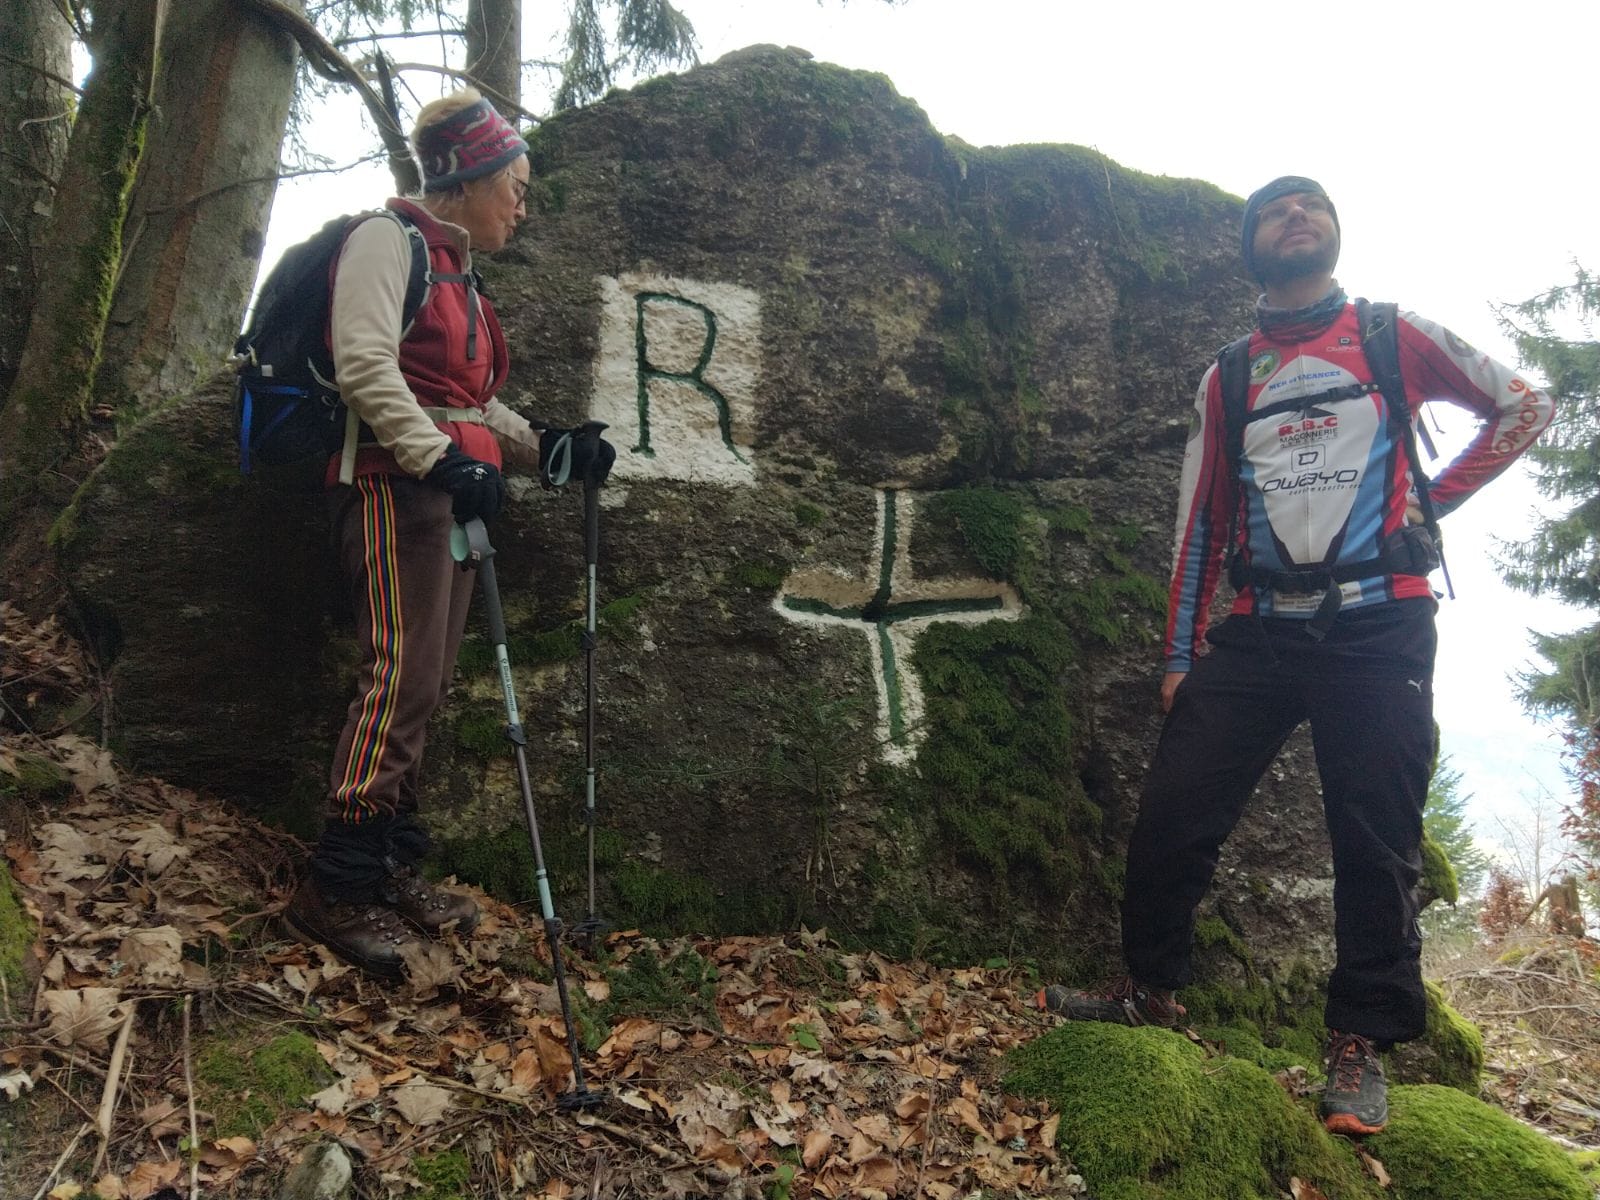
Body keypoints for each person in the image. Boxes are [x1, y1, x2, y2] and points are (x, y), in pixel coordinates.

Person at [1038, 176, 1555, 1135]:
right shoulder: (1228, 376)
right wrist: (1180, 652)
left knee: (1377, 840)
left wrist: (1432, 500)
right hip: (1258, 629)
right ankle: (1152, 988)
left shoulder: (1393, 334)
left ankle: (1359, 1047)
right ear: (1250, 247)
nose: (1294, 215)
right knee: (1172, 813)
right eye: (1273, 209)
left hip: (1381, 626)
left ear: (1334, 230)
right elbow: (1198, 524)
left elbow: (1525, 402)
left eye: (1310, 203)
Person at [285, 89, 614, 980]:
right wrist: (438, 462)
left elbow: (468, 399)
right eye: (514, 182)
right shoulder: (384, 243)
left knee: (422, 683)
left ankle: (389, 865)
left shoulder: (455, 269)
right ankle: (337, 884)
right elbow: (363, 363)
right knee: (396, 676)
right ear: (466, 177)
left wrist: (545, 448)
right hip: (395, 492)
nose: (522, 201)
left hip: (447, 499)